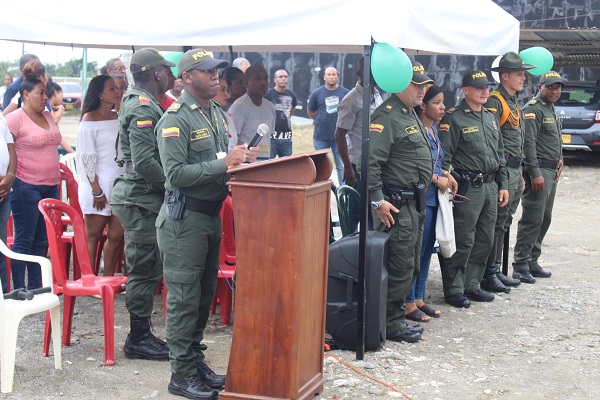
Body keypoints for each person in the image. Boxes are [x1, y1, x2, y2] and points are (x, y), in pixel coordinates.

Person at [156, 48, 257, 400]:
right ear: (186, 78)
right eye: (207, 71)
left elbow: (216, 161)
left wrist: (238, 161)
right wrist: (223, 163)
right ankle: (181, 374)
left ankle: (195, 362)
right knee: (184, 299)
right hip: (184, 220)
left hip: (210, 216)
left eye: (216, 70)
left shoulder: (214, 112)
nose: (216, 76)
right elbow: (175, 174)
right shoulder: (176, 119)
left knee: (202, 298)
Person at [110, 48, 175, 361]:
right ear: (158, 73)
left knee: (149, 266)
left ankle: (142, 334)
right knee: (144, 268)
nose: (171, 76)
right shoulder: (142, 106)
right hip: (142, 198)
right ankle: (137, 339)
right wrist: (174, 186)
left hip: (144, 196)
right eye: (168, 71)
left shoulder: (142, 101)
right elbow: (146, 163)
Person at [367, 61, 434, 343]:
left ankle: (395, 317)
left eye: (423, 85)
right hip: (396, 205)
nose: (421, 90)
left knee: (410, 264)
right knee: (398, 264)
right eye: (415, 85)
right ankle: (389, 323)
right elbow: (370, 163)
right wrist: (377, 201)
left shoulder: (409, 114)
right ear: (398, 85)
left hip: (413, 204)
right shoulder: (387, 116)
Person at [439, 71, 509, 308]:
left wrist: (503, 185)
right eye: (479, 88)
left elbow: (500, 155)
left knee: (485, 238)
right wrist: (448, 182)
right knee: (464, 238)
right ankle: (455, 288)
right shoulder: (454, 118)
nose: (484, 91)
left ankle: (472, 283)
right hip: (468, 187)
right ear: (465, 90)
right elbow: (445, 157)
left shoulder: (490, 117)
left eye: (486, 87)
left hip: (490, 185)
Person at [481, 51, 535, 292]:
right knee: (495, 223)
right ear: (504, 76)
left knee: (504, 222)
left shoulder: (513, 102)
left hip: (514, 169)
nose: (523, 78)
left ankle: (495, 270)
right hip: (502, 170)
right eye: (519, 74)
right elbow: (493, 141)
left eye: (523, 74)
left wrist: (520, 172)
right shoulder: (495, 101)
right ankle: (488, 273)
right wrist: (503, 176)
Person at [404, 84, 457, 322]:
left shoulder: (433, 129)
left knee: (426, 251)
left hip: (435, 199)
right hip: (422, 197)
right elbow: (415, 164)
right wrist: (437, 179)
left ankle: (418, 298)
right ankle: (407, 302)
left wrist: (446, 173)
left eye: (442, 102)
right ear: (423, 106)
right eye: (436, 103)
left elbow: (435, 160)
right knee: (415, 252)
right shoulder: (417, 129)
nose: (442, 107)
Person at [5, 78, 61, 290]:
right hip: (25, 185)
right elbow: (5, 149)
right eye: (40, 93)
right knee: (25, 238)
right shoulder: (14, 119)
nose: (45, 97)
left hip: (50, 185)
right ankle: (20, 289)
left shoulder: (47, 115)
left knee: (41, 239)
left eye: (46, 93)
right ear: (26, 94)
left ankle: (36, 288)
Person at [512, 71, 565, 283]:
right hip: (540, 171)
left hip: (551, 171)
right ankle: (520, 265)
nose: (555, 91)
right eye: (550, 87)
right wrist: (535, 173)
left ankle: (532, 260)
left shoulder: (550, 109)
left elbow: (554, 139)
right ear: (540, 87)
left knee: (545, 217)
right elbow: (528, 144)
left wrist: (560, 159)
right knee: (532, 218)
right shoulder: (533, 109)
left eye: (558, 88)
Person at [76, 75, 125, 276]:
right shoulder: (89, 120)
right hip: (97, 186)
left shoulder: (117, 116)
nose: (117, 91)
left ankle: (108, 279)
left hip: (119, 185)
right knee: (93, 236)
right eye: (111, 88)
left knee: (117, 236)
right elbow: (87, 158)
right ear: (99, 94)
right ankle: (89, 280)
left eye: (117, 88)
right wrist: (96, 190)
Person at [334, 57, 383, 232]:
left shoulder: (377, 94)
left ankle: (368, 246)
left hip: (374, 164)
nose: (373, 74)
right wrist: (348, 167)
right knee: (355, 213)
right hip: (357, 167)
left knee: (372, 212)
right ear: (359, 72)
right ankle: (349, 244)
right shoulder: (351, 100)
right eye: (369, 70)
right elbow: (339, 134)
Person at [308, 66, 349, 186]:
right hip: (321, 136)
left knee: (341, 165)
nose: (331, 77)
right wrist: (320, 120)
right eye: (329, 75)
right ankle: (320, 189)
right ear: (324, 77)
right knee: (320, 166)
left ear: (337, 77)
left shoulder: (345, 93)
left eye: (333, 74)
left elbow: (350, 111)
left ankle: (343, 191)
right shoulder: (317, 93)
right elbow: (310, 111)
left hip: (340, 137)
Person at [229, 64, 275, 160]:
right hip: (245, 163)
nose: (263, 82)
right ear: (246, 83)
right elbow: (231, 140)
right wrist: (244, 157)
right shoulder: (239, 107)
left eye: (265, 78)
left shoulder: (270, 106)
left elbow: (269, 136)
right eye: (258, 79)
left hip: (266, 161)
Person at [264, 68, 297, 158]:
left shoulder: (292, 96)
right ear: (275, 80)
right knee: (268, 164)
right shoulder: (267, 95)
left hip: (286, 138)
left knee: (287, 165)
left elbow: (291, 112)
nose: (283, 79)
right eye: (281, 77)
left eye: (285, 77)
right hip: (271, 139)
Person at [0, 113, 16, 293]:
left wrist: (10, 177)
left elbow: (11, 148)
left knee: (1, 249)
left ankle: (3, 298)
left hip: (3, 191)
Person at [214, 76, 238, 149]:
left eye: (227, 90)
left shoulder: (228, 117)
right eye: (222, 90)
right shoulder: (200, 118)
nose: (227, 95)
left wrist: (246, 152)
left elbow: (234, 145)